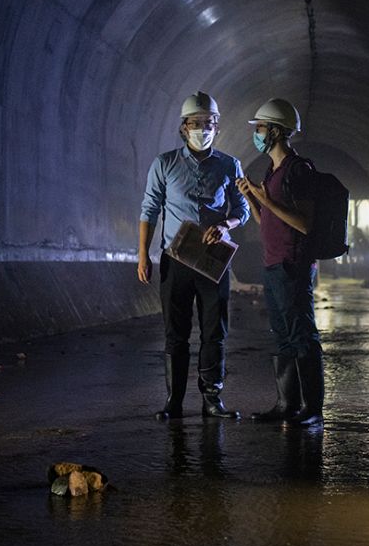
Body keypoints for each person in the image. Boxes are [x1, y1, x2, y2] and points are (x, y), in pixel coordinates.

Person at [137, 92, 249, 420]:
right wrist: (143, 255)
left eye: (209, 123)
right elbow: (150, 208)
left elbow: (241, 208)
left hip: (214, 261)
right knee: (176, 332)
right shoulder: (165, 163)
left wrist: (226, 225)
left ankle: (213, 400)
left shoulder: (230, 165)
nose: (204, 128)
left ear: (217, 126)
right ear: (184, 128)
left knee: (215, 330)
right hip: (176, 260)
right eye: (196, 123)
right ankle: (174, 401)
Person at [234, 98, 323, 428]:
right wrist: (251, 197)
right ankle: (287, 404)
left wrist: (265, 198)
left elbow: (304, 224)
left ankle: (313, 409)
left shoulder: (299, 170)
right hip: (272, 264)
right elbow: (266, 221)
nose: (256, 133)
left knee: (303, 336)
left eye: (259, 127)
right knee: (284, 336)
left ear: (275, 131)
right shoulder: (272, 171)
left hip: (292, 265)